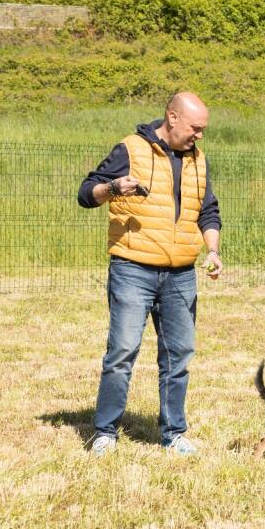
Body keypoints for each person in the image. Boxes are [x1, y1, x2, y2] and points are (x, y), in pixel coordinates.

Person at [78, 92, 223, 456]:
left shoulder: (198, 160)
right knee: (123, 351)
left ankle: (174, 433)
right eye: (195, 128)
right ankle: (105, 431)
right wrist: (112, 188)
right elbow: (85, 193)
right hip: (133, 269)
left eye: (203, 130)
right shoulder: (130, 149)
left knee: (179, 355)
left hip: (180, 274)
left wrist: (214, 250)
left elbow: (208, 211)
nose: (199, 136)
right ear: (172, 118)